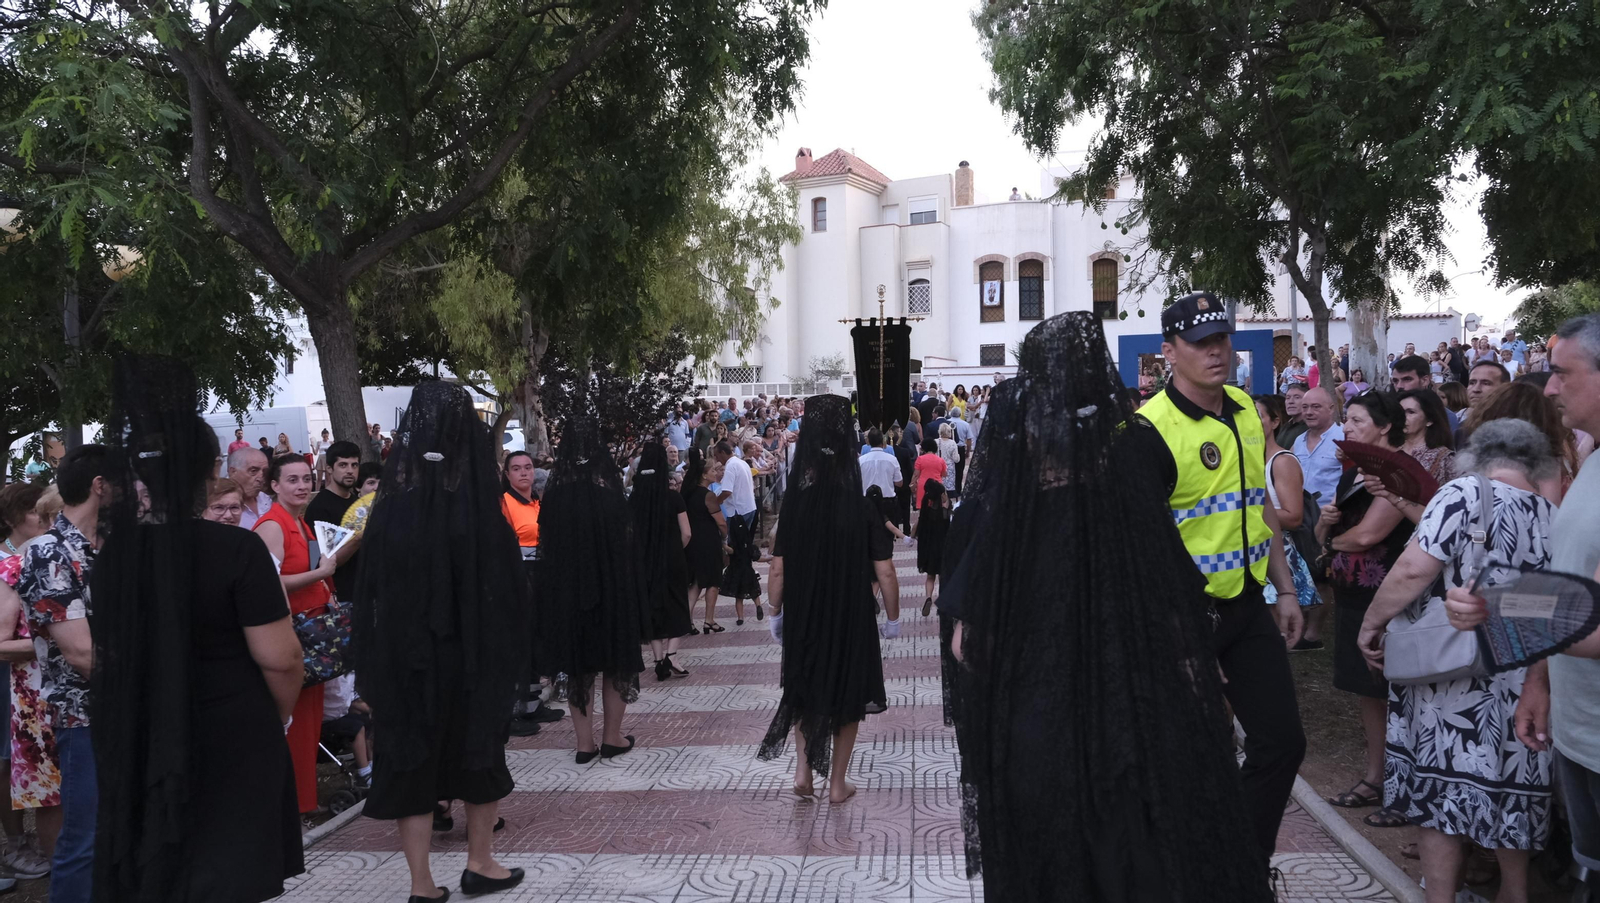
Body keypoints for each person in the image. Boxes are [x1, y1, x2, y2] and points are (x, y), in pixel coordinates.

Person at [943, 312, 1271, 901]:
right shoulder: (1134, 504)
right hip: (1134, 739)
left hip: (1039, 747)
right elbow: (1182, 613)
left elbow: (965, 646)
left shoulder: (1004, 521)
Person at [89, 357, 304, 902]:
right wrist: (275, 716)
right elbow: (280, 657)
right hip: (230, 725)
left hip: (144, 723)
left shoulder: (114, 554)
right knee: (227, 868)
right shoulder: (237, 548)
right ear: (207, 470)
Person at [1133, 292, 1305, 872]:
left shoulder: (1242, 411)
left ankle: (1243, 865)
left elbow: (1260, 510)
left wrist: (1283, 589)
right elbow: (1142, 553)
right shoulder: (1148, 431)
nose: (1216, 351)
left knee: (1282, 743)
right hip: (1182, 620)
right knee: (1187, 755)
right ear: (1168, 352)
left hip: (1247, 605)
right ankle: (1179, 867)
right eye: (1200, 342)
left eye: (1222, 339)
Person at [1355, 420, 1557, 903]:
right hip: (1529, 677)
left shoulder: (1463, 492)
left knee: (1440, 793)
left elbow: (1412, 568)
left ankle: (1440, 898)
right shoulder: (1553, 512)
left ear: (1475, 455)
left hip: (1454, 677)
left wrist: (1370, 625)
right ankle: (1515, 892)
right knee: (1511, 790)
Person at [354, 380, 528, 901]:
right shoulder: (478, 510)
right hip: (473, 657)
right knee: (479, 751)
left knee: (410, 758)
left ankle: (421, 883)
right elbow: (509, 592)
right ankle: (480, 861)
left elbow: (371, 594)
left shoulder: (390, 510)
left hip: (405, 659)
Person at [1446, 313, 1600, 898]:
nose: (1549, 388)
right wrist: (1540, 680)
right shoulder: (1591, 468)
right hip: (1578, 730)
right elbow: (1570, 584)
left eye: (1562, 373)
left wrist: (1496, 606)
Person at [758, 395, 887, 804]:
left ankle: (802, 771)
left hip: (804, 610)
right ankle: (837, 783)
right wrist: (894, 616)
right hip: (851, 613)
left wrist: (775, 610)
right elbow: (883, 568)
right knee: (848, 692)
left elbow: (777, 566)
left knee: (803, 684)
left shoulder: (795, 503)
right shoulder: (860, 504)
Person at [17, 445, 112, 903]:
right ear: (100, 486)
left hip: (128, 709)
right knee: (84, 840)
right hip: (86, 719)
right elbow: (81, 653)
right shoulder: (48, 553)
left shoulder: (113, 546)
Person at [1316, 391, 1414, 826]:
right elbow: (1328, 526)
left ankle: (1404, 787)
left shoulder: (1399, 473)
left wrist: (1326, 545)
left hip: (1387, 596)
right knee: (1366, 692)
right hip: (1353, 595)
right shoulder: (1355, 472)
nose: (1348, 428)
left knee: (1394, 693)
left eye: (1356, 420)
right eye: (1348, 420)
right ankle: (1376, 777)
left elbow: (1367, 536)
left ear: (1385, 426)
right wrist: (1324, 529)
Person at [536, 418, 648, 768]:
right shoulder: (611, 495)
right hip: (613, 593)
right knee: (615, 665)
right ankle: (612, 737)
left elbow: (545, 549)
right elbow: (629, 547)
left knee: (578, 668)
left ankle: (584, 744)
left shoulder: (553, 498)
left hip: (569, 595)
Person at [252, 454, 338, 820]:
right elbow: (267, 584)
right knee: (297, 724)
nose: (302, 486)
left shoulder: (299, 522)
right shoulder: (272, 525)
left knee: (310, 724)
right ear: (274, 485)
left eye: (306, 479)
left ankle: (304, 801)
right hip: (293, 635)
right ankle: (296, 806)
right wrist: (320, 576)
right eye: (292, 480)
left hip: (314, 634)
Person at [0, 483, 55, 882]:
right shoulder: (7, 565)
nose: (44, 521)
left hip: (33, 682)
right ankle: (17, 844)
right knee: (8, 762)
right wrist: (60, 641)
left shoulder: (36, 557)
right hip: (12, 681)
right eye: (37, 513)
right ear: (13, 518)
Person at [1256, 395, 1322, 649]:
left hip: (1276, 552)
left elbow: (1294, 516)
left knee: (1273, 639)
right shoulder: (1248, 459)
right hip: (1253, 551)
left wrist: (1246, 514)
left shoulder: (1282, 461)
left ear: (1274, 421)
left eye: (1258, 416)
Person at [630, 443, 693, 681]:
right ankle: (671, 655)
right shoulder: (674, 498)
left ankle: (657, 659)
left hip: (644, 561)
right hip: (673, 559)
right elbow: (686, 532)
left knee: (651, 607)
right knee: (677, 605)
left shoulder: (634, 500)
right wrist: (676, 549)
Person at [305, 440, 364, 599]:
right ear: (329, 469)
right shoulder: (319, 508)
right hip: (340, 597)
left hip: (364, 590)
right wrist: (358, 538)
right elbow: (324, 564)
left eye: (354, 465)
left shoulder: (357, 503)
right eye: (343, 465)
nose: (350, 471)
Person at [681, 451, 728, 634]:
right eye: (713, 470)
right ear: (704, 474)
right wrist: (724, 537)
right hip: (709, 541)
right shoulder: (708, 496)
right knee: (713, 582)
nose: (716, 473)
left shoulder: (688, 493)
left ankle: (687, 620)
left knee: (695, 583)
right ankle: (709, 619)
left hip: (693, 541)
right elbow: (721, 522)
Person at [1292, 387, 1344, 505]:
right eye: (1305, 407)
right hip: (1302, 515)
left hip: (1332, 514)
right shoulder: (1299, 441)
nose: (1309, 412)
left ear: (1331, 409)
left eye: (1316, 407)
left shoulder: (1344, 437)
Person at [913, 480, 948, 617]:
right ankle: (943, 602)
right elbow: (948, 523)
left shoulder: (926, 501)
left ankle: (928, 597)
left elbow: (920, 521)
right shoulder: (943, 505)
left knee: (930, 576)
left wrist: (912, 535)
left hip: (928, 545)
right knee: (942, 576)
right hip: (942, 545)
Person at [226, 447, 272, 529]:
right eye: (253, 471)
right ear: (232, 472)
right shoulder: (219, 508)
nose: (260, 478)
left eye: (264, 472)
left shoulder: (266, 500)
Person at [913, 438, 946, 509]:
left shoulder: (920, 459)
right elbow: (944, 474)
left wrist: (912, 483)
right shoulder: (941, 460)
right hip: (937, 485)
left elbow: (916, 474)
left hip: (923, 485)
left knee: (923, 508)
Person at [1277, 382, 1309, 448]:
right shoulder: (1285, 426)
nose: (1291, 401)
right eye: (1288, 398)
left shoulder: (1310, 428)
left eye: (1297, 397)